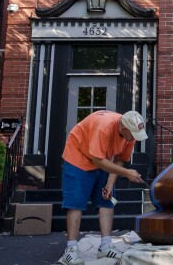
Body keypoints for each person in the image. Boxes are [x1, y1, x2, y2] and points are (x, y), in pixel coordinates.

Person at [58, 110, 147, 265]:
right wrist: (127, 173)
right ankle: (70, 250)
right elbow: (97, 160)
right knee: (76, 202)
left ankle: (105, 246)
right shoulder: (103, 127)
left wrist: (110, 183)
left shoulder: (130, 135)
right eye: (132, 135)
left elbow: (120, 159)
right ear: (124, 128)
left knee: (107, 200)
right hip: (78, 158)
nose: (134, 138)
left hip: (101, 158)